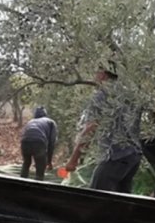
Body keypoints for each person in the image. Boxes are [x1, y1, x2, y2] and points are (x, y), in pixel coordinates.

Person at [65, 65, 142, 193]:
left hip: (115, 156)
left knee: (96, 199)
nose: (94, 76)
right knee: (122, 203)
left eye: (96, 72)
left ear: (103, 74)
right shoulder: (130, 94)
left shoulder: (102, 95)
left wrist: (73, 159)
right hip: (134, 157)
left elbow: (91, 127)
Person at [20, 106, 58, 180]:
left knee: (26, 163)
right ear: (45, 114)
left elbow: (24, 134)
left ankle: (21, 183)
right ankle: (38, 184)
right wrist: (49, 161)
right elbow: (51, 143)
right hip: (39, 141)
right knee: (40, 166)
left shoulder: (30, 121)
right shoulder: (50, 122)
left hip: (25, 141)